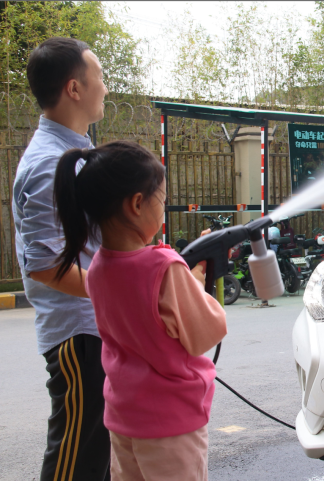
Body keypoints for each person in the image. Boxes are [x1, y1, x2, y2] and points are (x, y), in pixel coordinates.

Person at [53, 140, 227, 480]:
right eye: (161, 200)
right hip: (171, 426)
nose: (163, 209)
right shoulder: (164, 266)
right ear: (136, 204)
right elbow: (207, 331)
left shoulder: (98, 267)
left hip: (123, 420)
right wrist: (197, 276)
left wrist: (187, 273)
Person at [12, 37, 110, 480]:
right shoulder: (49, 163)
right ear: (75, 88)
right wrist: (118, 290)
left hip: (95, 327)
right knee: (75, 457)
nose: (106, 88)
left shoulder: (74, 153)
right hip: (79, 334)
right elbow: (45, 265)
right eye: (100, 77)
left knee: (98, 455)